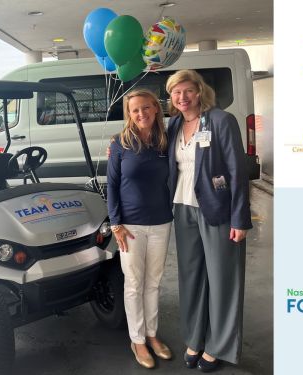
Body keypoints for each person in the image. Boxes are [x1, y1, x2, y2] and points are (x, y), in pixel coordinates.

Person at [165, 69, 252, 372]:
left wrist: (239, 219)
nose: (182, 97)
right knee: (191, 278)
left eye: (188, 90)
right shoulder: (175, 124)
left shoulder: (220, 120)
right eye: (176, 92)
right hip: (182, 207)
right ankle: (195, 338)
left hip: (217, 209)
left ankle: (219, 345)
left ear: (200, 91)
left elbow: (238, 173)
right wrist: (117, 145)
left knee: (222, 279)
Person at [107, 89, 173, 369]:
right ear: (129, 114)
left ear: (156, 109)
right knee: (134, 284)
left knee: (154, 282)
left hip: (161, 222)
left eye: (146, 108)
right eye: (135, 110)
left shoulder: (165, 141)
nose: (141, 114)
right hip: (130, 226)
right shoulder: (120, 144)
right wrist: (115, 223)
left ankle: (152, 334)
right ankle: (137, 340)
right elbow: (111, 185)